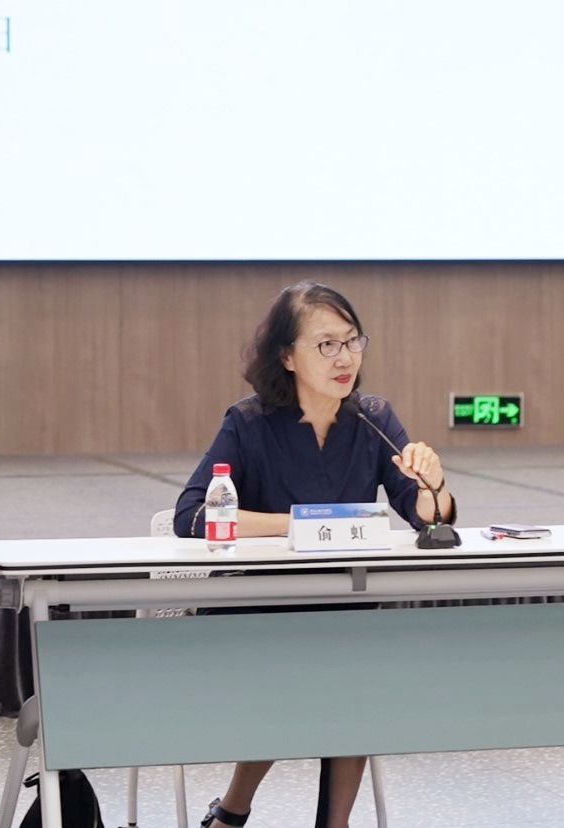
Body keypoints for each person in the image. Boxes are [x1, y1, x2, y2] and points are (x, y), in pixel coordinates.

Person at [175, 281, 456, 828]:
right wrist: (302, 526)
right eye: (326, 345)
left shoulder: (372, 417)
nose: (344, 358)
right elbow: (191, 515)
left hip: (342, 608)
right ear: (287, 356)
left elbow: (427, 517)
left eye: (353, 341)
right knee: (325, 668)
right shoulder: (249, 423)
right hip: (254, 613)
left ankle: (311, 821)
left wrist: (435, 485)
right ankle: (235, 808)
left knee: (352, 664)